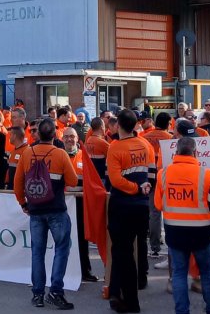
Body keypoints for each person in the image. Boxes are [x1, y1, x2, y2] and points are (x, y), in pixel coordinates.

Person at [13, 118, 78, 310]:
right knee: (62, 248)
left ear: (38, 134)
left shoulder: (27, 153)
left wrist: (23, 204)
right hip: (56, 209)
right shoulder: (60, 154)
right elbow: (73, 181)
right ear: (55, 135)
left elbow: (18, 183)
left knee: (37, 253)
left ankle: (38, 294)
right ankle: (56, 291)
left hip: (35, 210)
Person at [155, 136, 210, 314]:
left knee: (179, 274)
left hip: (175, 234)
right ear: (196, 153)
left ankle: (182, 311)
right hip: (202, 234)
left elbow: (158, 205)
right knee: (207, 274)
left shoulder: (163, 174)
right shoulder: (207, 174)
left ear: (176, 153)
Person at [107, 110, 155, 313]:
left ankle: (130, 302)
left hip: (122, 206)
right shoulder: (146, 145)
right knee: (132, 248)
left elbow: (115, 181)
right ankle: (116, 293)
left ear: (118, 125)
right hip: (142, 205)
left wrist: (135, 189)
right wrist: (145, 188)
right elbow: (152, 171)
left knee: (123, 252)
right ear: (136, 125)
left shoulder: (115, 148)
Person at [62, 127, 96, 282]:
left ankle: (85, 271)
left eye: (72, 137)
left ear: (77, 139)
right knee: (63, 238)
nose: (70, 139)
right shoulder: (59, 155)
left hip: (81, 203)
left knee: (82, 239)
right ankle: (64, 270)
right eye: (67, 137)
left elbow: (91, 181)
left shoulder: (84, 156)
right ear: (62, 139)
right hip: (63, 203)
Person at [140, 112, 172, 258]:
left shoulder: (144, 138)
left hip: (150, 177)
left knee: (154, 212)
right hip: (166, 177)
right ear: (168, 124)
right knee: (170, 212)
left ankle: (154, 246)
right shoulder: (170, 139)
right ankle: (169, 244)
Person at [84, 117, 110, 185]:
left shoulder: (89, 140)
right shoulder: (103, 143)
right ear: (102, 127)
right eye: (104, 126)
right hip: (101, 177)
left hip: (91, 175)